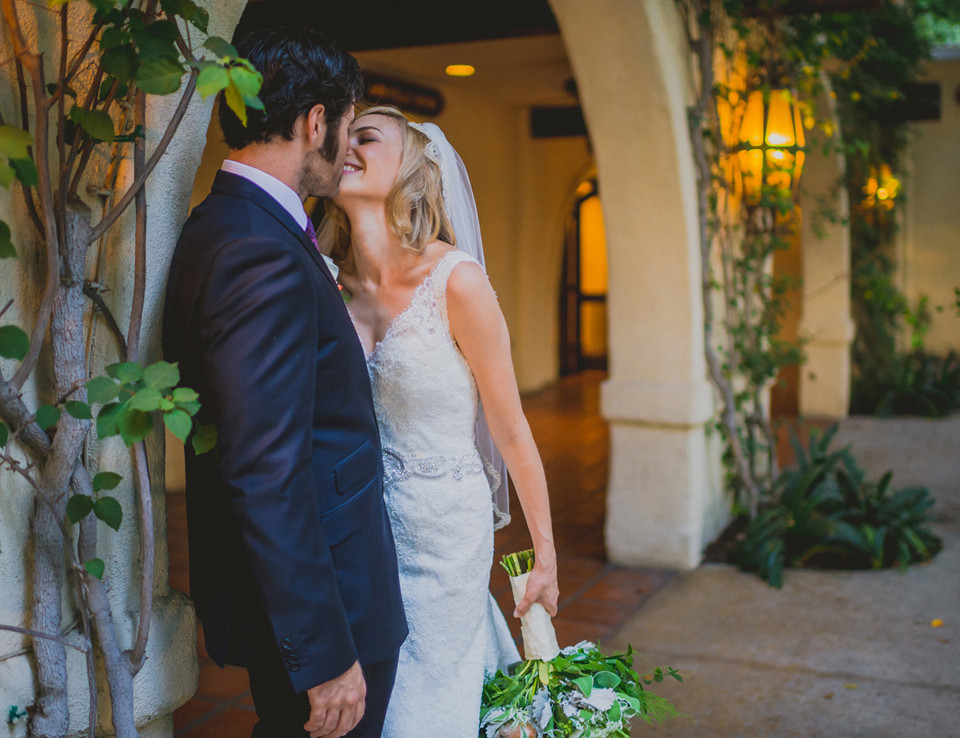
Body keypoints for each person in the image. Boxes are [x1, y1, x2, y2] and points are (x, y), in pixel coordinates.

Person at [162, 30, 406, 738]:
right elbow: (267, 467)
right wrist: (326, 655)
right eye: (346, 123)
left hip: (309, 589)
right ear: (313, 122)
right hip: (326, 608)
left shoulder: (233, 225)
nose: (347, 148)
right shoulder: (255, 251)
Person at [319, 105, 560, 738]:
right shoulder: (324, 281)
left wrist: (546, 554)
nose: (346, 145)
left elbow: (510, 428)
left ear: (412, 170)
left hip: (446, 526)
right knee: (380, 683)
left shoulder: (457, 282)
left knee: (417, 702)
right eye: (342, 134)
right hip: (364, 519)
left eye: (366, 137)